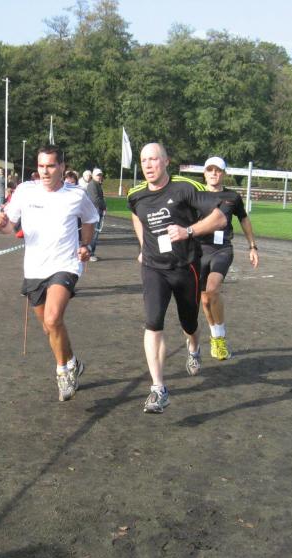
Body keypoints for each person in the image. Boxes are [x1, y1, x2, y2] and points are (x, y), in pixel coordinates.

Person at [0, 144, 100, 402]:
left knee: (53, 319)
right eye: (41, 166)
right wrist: (1, 224)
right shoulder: (25, 191)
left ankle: (62, 371)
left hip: (65, 265)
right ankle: (73, 362)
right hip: (34, 268)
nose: (45, 171)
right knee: (49, 327)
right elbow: (9, 227)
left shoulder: (76, 194)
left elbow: (90, 219)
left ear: (62, 167)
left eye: (51, 166)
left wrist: (85, 245)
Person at [128, 142, 228, 414]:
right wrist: (143, 246)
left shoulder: (185, 188)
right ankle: (158, 389)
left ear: (166, 161)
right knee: (153, 323)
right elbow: (136, 216)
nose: (148, 165)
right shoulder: (136, 195)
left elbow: (220, 218)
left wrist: (189, 231)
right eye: (144, 160)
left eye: (154, 159)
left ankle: (194, 347)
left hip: (186, 267)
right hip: (153, 267)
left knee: (189, 323)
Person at [197, 156, 259, 361]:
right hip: (199, 250)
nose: (214, 173)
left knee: (213, 289)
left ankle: (220, 337)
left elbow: (244, 219)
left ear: (224, 173)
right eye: (210, 169)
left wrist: (252, 246)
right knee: (205, 299)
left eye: (218, 170)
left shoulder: (232, 196)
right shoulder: (195, 195)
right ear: (204, 173)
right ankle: (215, 336)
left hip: (222, 249)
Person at [85, 168, 106, 261]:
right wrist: (104, 206)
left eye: (100, 175)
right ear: (93, 176)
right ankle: (90, 253)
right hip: (95, 212)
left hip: (96, 211)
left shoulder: (97, 184)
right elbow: (95, 200)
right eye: (97, 175)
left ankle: (90, 252)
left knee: (95, 233)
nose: (99, 177)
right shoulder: (92, 185)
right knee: (94, 233)